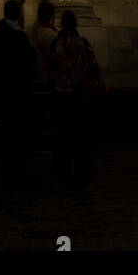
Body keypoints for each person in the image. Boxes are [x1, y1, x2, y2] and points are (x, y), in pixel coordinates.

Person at [48, 10, 101, 190]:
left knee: (63, 133)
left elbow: (52, 68)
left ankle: (63, 168)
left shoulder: (57, 43)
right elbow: (94, 67)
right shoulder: (83, 43)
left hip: (63, 96)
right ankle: (83, 167)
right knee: (82, 134)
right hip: (80, 96)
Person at [0, 0, 36, 186]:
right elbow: (30, 59)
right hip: (18, 90)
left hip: (4, 88)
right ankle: (19, 168)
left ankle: (8, 167)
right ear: (18, 15)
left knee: (7, 129)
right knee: (18, 128)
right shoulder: (20, 36)